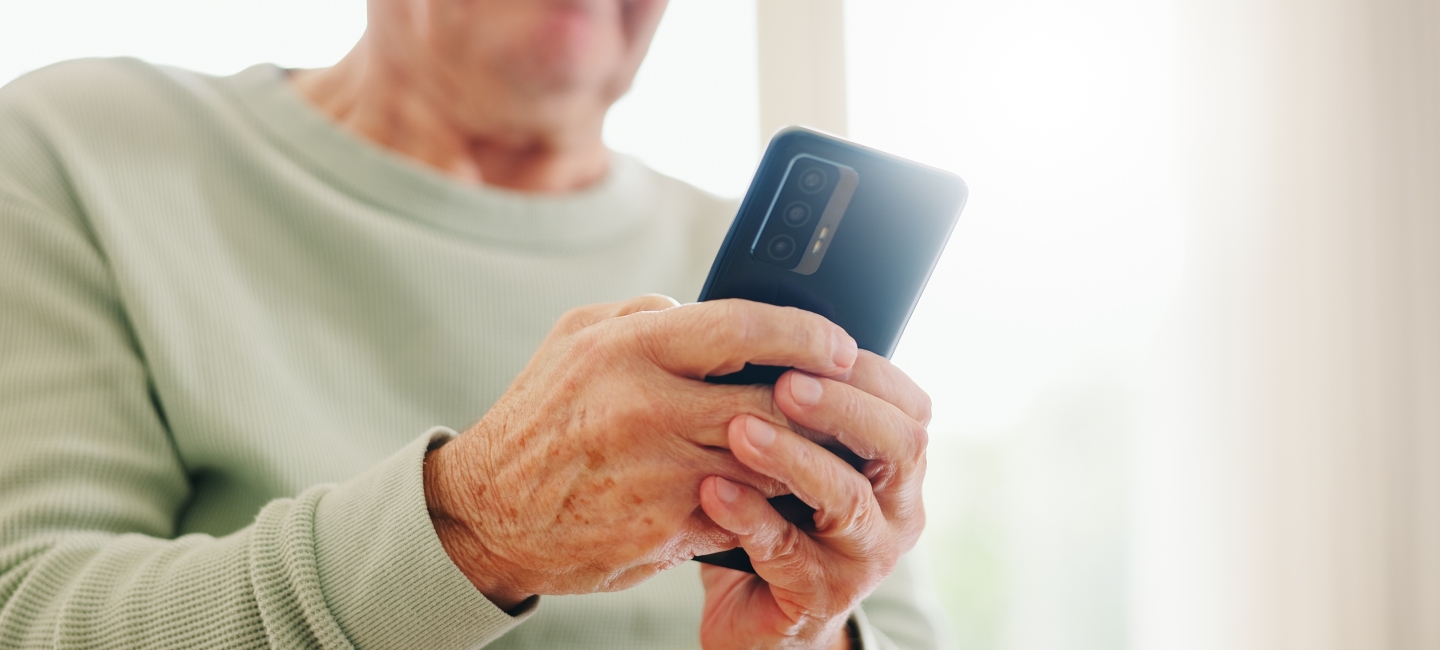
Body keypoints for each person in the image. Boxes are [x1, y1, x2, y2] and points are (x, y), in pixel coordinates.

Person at [0, 1, 947, 648]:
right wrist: (474, 527)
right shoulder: (86, 150)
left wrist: (813, 632)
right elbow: (26, 615)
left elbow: (894, 622)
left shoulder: (749, 285)